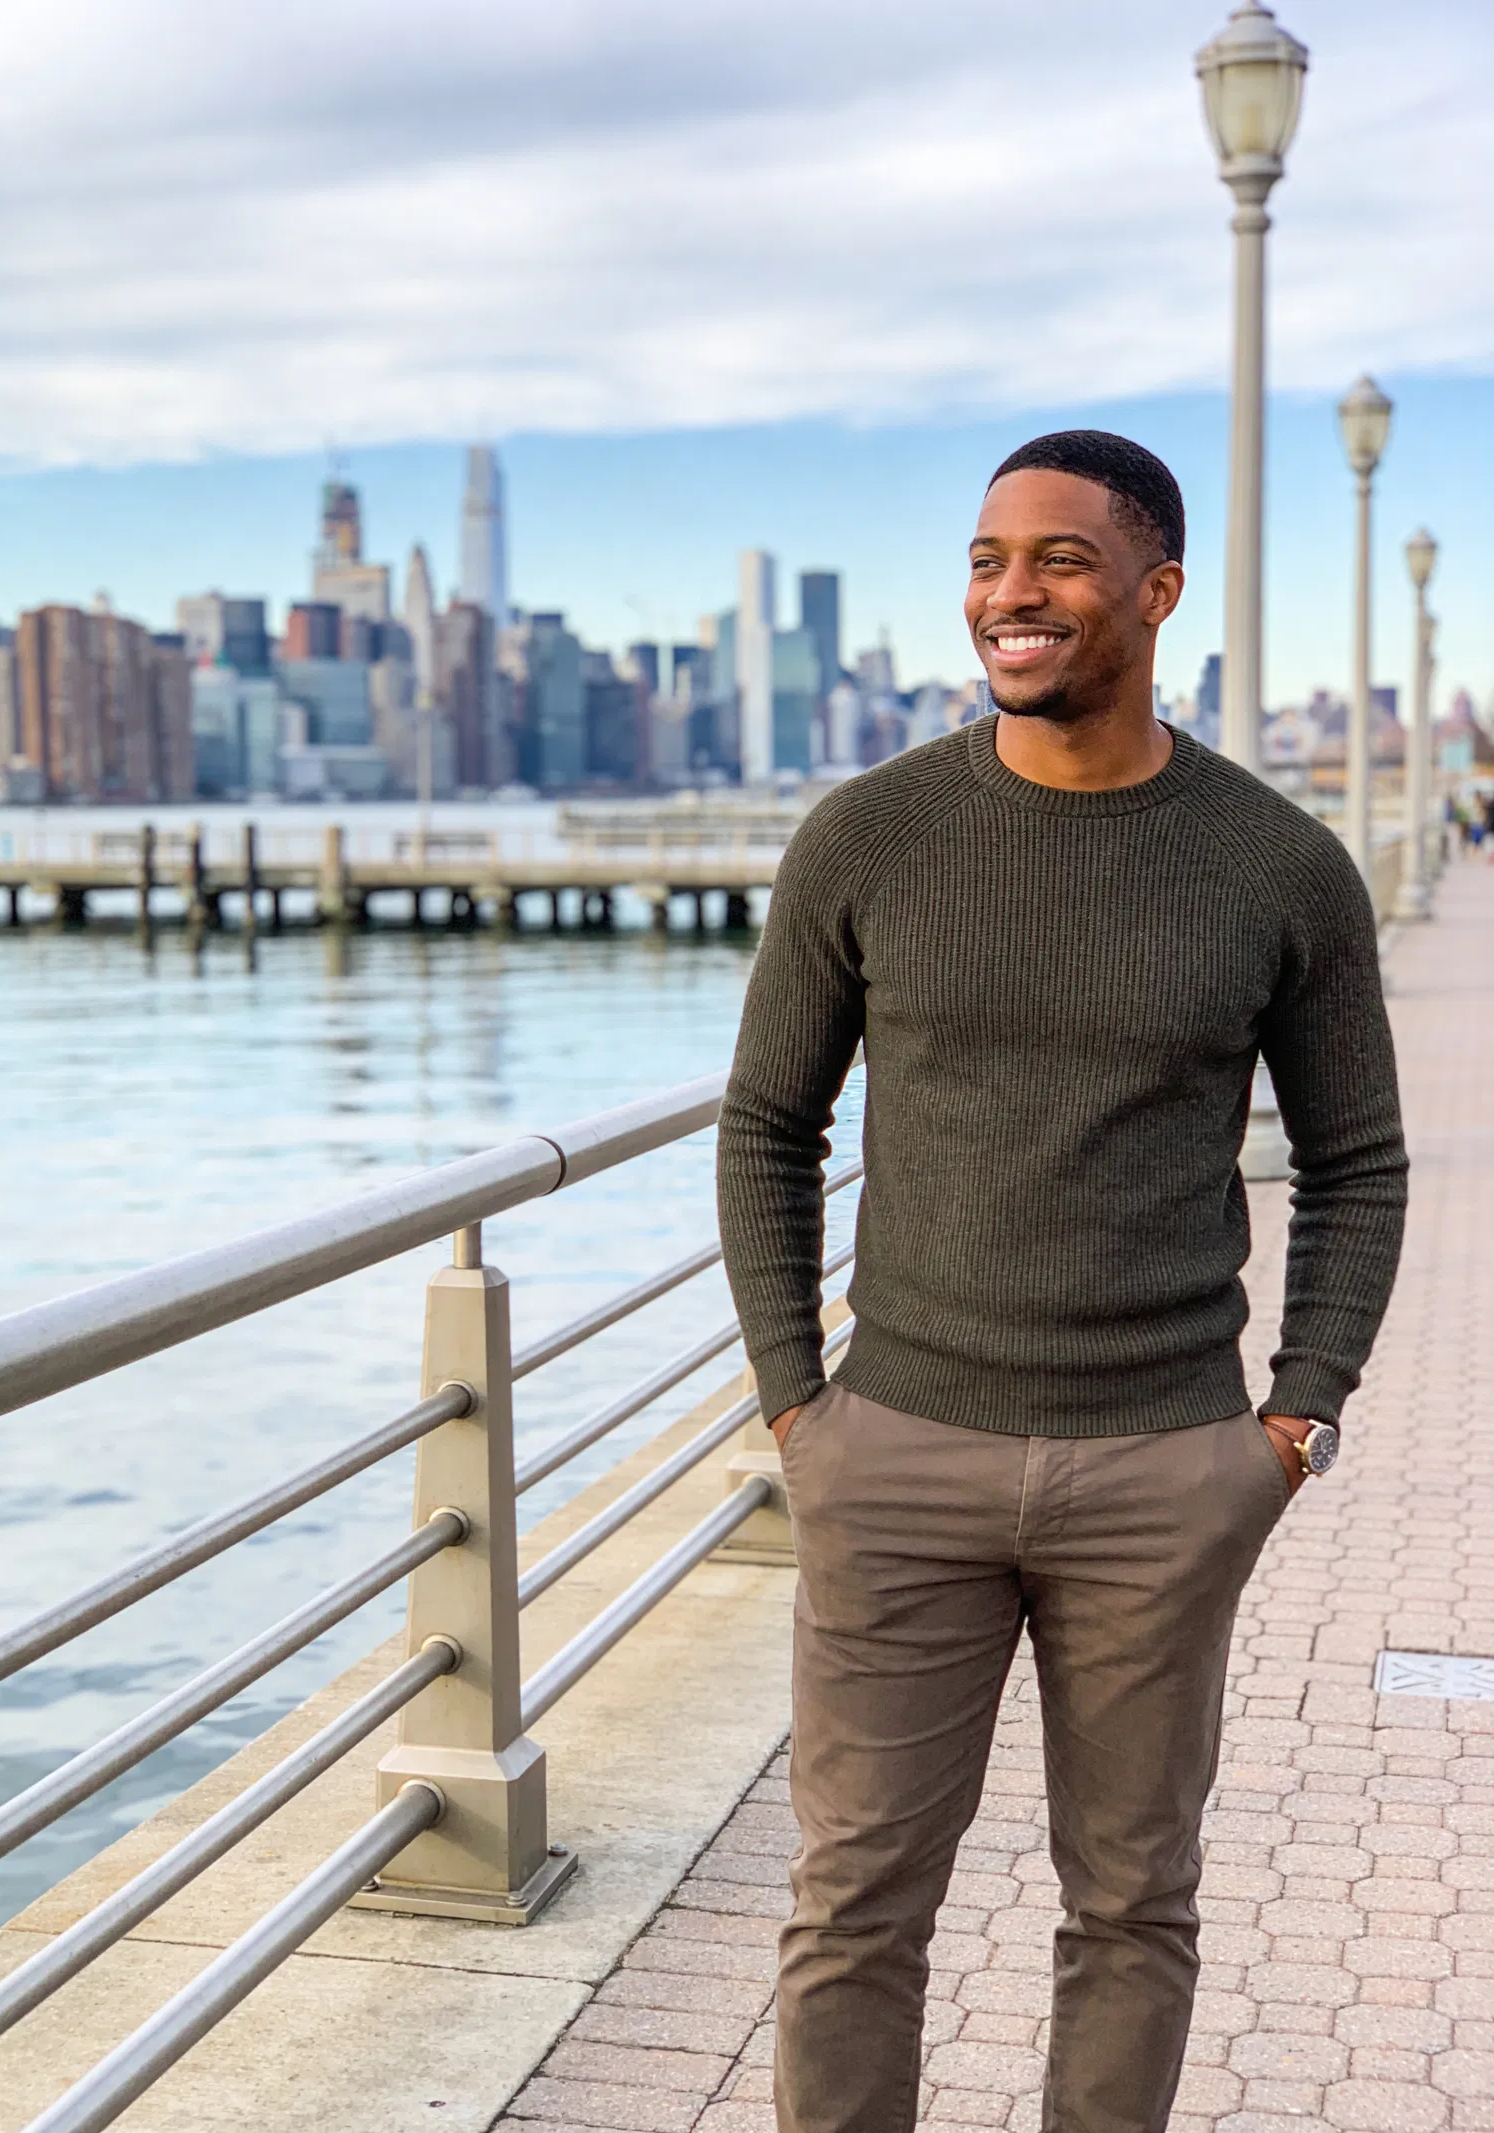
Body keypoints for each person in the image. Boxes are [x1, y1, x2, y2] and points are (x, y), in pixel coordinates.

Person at [716, 430, 1407, 2133]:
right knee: (854, 1908)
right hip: (897, 1458)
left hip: (1165, 1466)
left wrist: (1294, 1418)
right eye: (983, 562)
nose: (1007, 597)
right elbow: (765, 1127)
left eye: (1059, 561)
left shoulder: (1278, 864)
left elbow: (1362, 1163)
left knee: (1131, 1906)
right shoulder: (870, 835)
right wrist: (801, 1407)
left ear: (1157, 592)